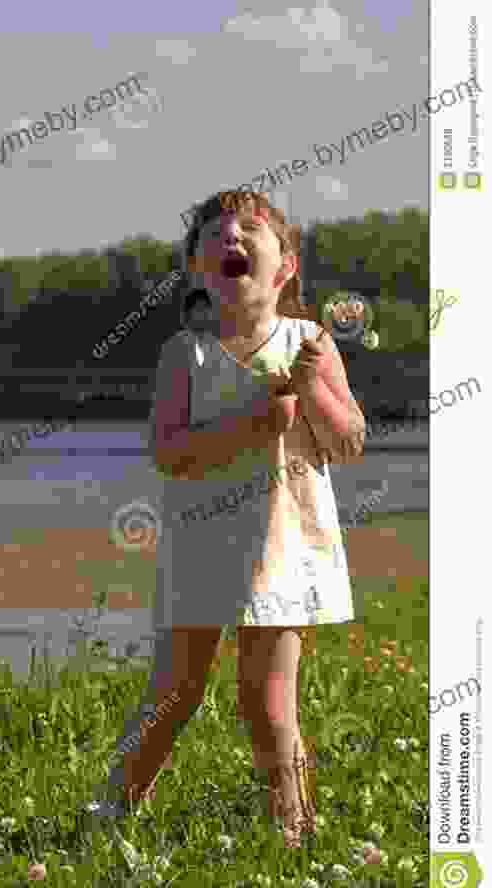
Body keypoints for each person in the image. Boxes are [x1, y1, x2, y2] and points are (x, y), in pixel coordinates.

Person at [84, 189, 366, 847]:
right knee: (174, 692)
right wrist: (254, 424)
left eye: (251, 228)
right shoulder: (187, 355)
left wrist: (316, 391)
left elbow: (349, 441)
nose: (232, 235)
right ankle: (112, 811)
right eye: (215, 231)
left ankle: (293, 829)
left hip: (284, 549)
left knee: (270, 704)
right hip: (201, 547)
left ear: (285, 267)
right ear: (197, 274)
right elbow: (171, 452)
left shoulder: (313, 343)